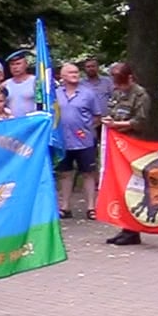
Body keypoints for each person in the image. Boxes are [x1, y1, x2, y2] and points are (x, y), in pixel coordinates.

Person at [102, 62, 155, 245]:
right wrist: (110, 120)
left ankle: (133, 230)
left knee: (134, 187)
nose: (118, 86)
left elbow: (140, 122)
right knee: (121, 186)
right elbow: (113, 110)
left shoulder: (140, 95)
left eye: (121, 82)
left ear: (130, 78)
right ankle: (125, 227)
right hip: (118, 145)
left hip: (134, 144)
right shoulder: (117, 92)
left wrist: (118, 125)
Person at [52, 62, 105, 219]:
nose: (75, 74)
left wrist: (87, 129)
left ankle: (91, 207)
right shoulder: (55, 94)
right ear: (62, 76)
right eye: (70, 72)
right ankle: (65, 207)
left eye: (76, 72)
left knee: (88, 173)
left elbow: (97, 116)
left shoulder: (88, 93)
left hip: (84, 141)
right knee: (65, 174)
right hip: (63, 141)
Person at [1, 50, 39, 119]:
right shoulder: (5, 84)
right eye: (12, 64)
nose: (15, 67)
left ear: (26, 65)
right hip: (12, 123)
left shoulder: (36, 81)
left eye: (18, 64)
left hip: (31, 122)